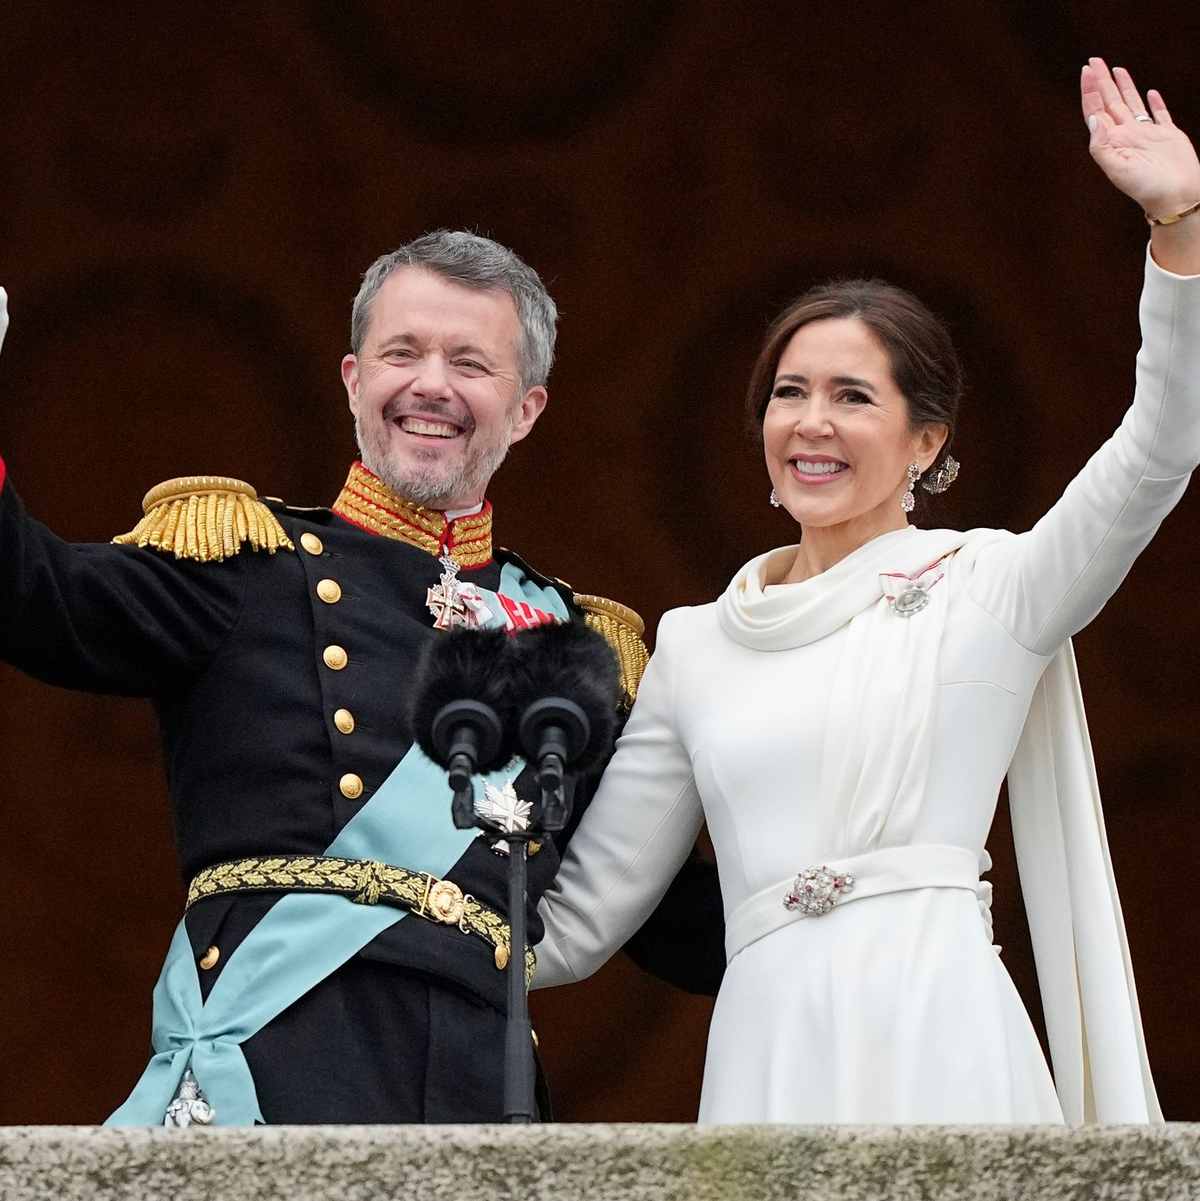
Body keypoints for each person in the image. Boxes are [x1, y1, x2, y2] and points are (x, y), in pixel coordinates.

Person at [532, 58, 1200, 1124]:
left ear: (926, 441)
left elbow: (1159, 448)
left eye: (853, 396)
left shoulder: (992, 588)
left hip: (942, 1030)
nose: (813, 421)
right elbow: (573, 923)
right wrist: (376, 901)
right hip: (768, 1054)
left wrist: (1179, 231)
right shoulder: (697, 645)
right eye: (789, 393)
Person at [0, 230, 723, 1125]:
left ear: (526, 409)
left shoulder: (572, 649)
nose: (431, 385)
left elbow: (681, 920)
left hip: (479, 1097)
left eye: (470, 362)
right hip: (274, 1070)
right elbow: (34, 598)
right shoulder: (246, 564)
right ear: (353, 380)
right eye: (402, 352)